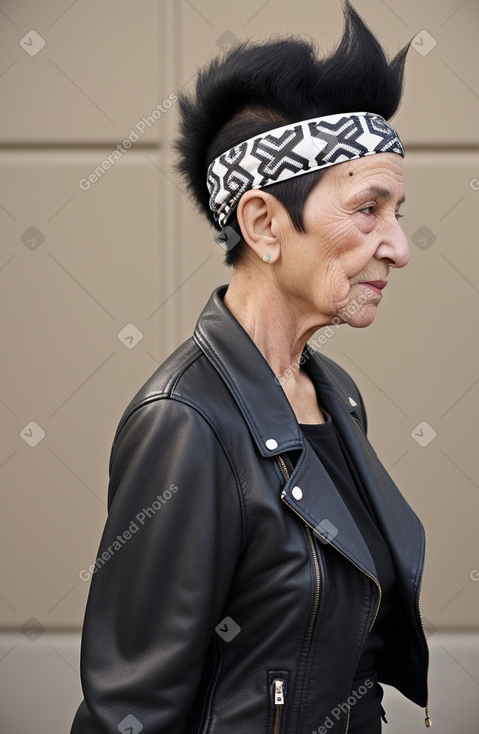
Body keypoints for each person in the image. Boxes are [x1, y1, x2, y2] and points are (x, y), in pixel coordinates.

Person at [71, 2, 431, 732]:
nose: (397, 245)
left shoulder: (334, 396)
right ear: (264, 223)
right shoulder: (185, 421)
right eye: (368, 209)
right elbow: (129, 712)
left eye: (396, 212)